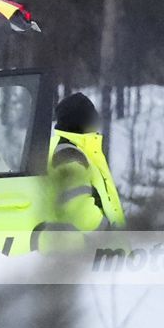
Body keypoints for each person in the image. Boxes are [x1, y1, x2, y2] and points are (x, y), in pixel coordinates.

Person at [50, 92, 125, 231]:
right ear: (81, 122)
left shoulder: (76, 149)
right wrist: (108, 236)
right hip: (94, 248)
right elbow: (79, 210)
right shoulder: (68, 154)